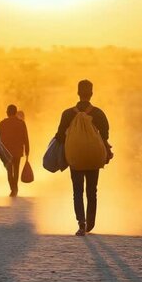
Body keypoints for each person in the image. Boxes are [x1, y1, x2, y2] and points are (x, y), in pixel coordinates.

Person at [55, 79, 113, 236]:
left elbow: (60, 136)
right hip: (94, 156)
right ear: (91, 93)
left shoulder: (67, 113)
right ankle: (91, 223)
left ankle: (81, 223)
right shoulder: (98, 113)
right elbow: (105, 134)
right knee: (92, 191)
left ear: (78, 93)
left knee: (77, 190)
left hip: (75, 157)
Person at [0, 104, 30, 197]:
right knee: (16, 170)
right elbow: (26, 138)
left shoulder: (2, 123)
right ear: (15, 113)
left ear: (8, 112)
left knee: (9, 171)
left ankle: (13, 189)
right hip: (18, 151)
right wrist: (27, 151)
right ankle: (15, 188)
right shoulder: (21, 123)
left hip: (6, 152)